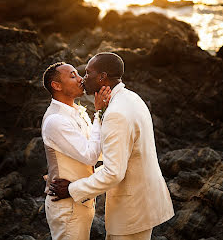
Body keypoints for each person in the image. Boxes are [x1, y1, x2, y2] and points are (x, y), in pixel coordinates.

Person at [49, 53, 174, 240]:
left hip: (132, 210)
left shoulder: (116, 113)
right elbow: (118, 149)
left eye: (88, 73)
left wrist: (71, 189)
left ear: (102, 77)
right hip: (144, 202)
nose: (84, 78)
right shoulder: (131, 98)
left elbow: (113, 173)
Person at [41, 62, 111, 240]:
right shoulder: (56, 120)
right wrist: (99, 113)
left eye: (78, 74)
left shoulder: (77, 111)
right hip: (66, 207)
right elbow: (90, 156)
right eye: (73, 76)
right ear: (56, 86)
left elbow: (98, 150)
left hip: (80, 200)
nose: (81, 79)